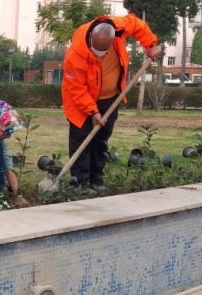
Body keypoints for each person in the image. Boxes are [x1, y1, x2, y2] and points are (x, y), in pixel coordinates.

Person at [62, 14, 162, 191]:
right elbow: (76, 88)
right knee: (81, 139)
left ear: (113, 37)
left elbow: (137, 25)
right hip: (81, 102)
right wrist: (93, 111)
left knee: (101, 139)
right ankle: (80, 183)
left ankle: (96, 179)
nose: (99, 56)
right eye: (96, 52)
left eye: (103, 52)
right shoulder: (76, 53)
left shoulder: (118, 26)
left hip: (110, 98)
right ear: (91, 37)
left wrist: (151, 45)